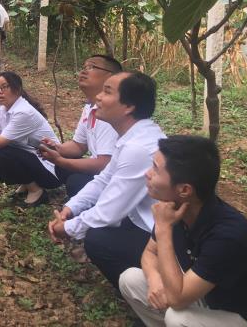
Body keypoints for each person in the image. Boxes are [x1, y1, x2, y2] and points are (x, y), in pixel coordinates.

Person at [120, 136, 247, 327]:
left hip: (239, 315)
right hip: (203, 296)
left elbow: (177, 299)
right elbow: (150, 253)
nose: (147, 174)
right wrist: (154, 279)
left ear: (185, 190)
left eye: (156, 170)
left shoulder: (228, 235)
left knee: (178, 318)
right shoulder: (176, 206)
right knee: (130, 279)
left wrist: (164, 229)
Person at [48, 72, 165, 290]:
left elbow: (108, 212)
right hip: (142, 221)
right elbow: (103, 180)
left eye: (107, 91)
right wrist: (70, 208)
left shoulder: (138, 148)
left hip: (163, 237)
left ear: (128, 106)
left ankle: (145, 295)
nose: (98, 97)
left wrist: (67, 228)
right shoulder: (131, 137)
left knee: (98, 240)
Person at [0, 71, 61, 206]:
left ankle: (36, 190)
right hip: (33, 160)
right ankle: (26, 183)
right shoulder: (4, 109)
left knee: (4, 151)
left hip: (51, 169)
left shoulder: (23, 112)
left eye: (4, 87)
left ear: (17, 89)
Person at [40, 55, 122, 197]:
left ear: (111, 77)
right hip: (104, 171)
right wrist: (57, 148)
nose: (83, 72)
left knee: (77, 182)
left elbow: (105, 164)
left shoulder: (111, 111)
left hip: (118, 177)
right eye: (84, 67)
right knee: (63, 169)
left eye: (92, 67)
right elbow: (79, 145)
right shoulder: (90, 106)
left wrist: (61, 160)